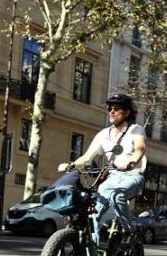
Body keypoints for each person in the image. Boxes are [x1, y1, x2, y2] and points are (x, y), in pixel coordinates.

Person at [58, 93, 146, 247]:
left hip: (132, 176)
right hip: (111, 179)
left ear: (127, 113)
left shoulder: (136, 129)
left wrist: (131, 162)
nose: (112, 111)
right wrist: (70, 165)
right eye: (110, 108)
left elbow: (140, 148)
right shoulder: (103, 134)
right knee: (92, 215)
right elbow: (87, 157)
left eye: (117, 108)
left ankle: (130, 232)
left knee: (118, 196)